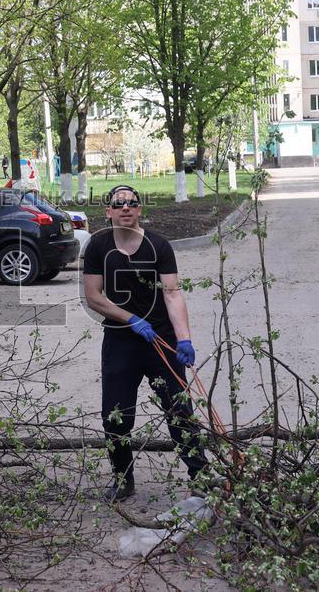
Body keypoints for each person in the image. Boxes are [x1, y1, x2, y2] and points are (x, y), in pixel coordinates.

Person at [82, 185, 208, 502]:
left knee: (180, 411)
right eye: (118, 203)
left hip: (160, 341)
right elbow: (93, 297)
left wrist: (184, 339)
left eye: (132, 203)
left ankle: (201, 478)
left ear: (139, 210)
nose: (126, 207)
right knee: (116, 415)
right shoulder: (97, 246)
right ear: (108, 211)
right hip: (120, 341)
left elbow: (172, 292)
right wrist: (130, 319)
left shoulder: (159, 245)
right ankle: (123, 480)